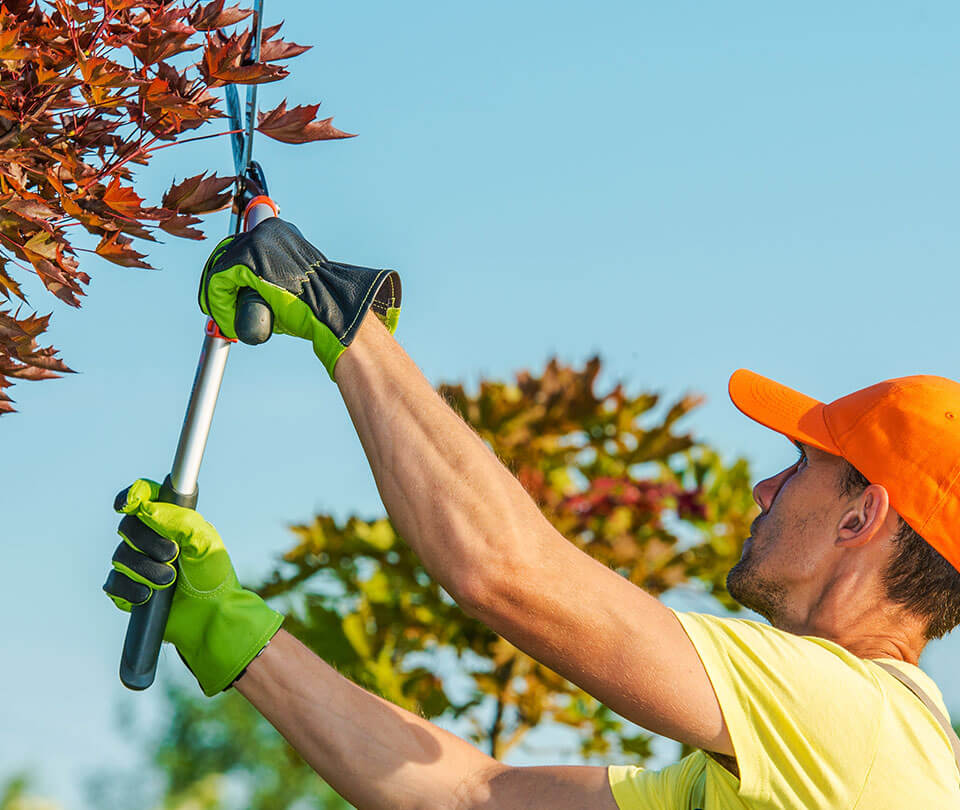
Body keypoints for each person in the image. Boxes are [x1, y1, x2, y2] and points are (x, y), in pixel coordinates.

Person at [104, 219, 960, 809]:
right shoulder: (812, 759)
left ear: (861, 519)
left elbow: (505, 570)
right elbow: (473, 796)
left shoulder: (853, 723)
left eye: (800, 468)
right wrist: (231, 629)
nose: (765, 492)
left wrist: (344, 322)